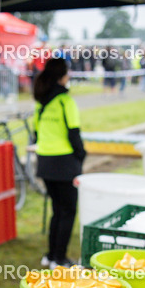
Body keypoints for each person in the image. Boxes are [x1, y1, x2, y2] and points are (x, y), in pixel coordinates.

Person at [33, 58, 85, 269]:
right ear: (63, 76)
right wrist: (81, 155)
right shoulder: (65, 101)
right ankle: (60, 258)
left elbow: (36, 134)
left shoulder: (42, 104)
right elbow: (74, 134)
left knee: (57, 210)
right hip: (64, 162)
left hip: (45, 162)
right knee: (68, 211)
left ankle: (51, 255)